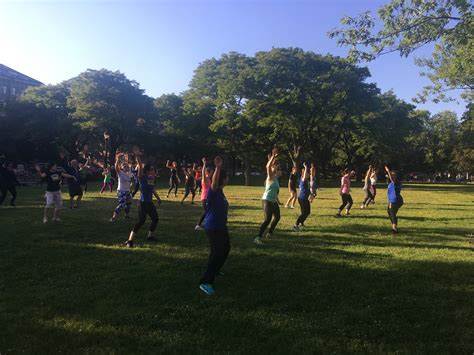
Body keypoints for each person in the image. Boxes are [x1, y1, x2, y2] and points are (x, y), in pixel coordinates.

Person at [199, 156, 230, 296]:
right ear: (222, 179)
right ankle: (206, 282)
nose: (228, 179)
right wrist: (218, 167)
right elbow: (215, 182)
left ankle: (216, 270)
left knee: (226, 248)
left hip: (221, 226)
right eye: (226, 177)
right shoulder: (213, 191)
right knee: (216, 253)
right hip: (213, 227)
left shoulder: (220, 192)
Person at [124, 149, 161, 248]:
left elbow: (152, 190)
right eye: (152, 169)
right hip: (143, 203)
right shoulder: (142, 177)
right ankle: (130, 240)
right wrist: (138, 156)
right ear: (148, 171)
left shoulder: (152, 179)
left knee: (155, 219)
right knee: (141, 221)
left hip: (150, 203)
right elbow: (140, 165)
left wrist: (158, 198)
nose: (154, 171)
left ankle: (150, 236)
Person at [255, 150, 281, 244]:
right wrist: (273, 157)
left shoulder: (276, 179)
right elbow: (267, 166)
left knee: (277, 217)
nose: (279, 170)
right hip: (266, 200)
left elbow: (275, 192)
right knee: (267, 219)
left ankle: (269, 233)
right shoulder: (270, 177)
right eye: (278, 169)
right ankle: (258, 237)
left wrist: (278, 200)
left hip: (273, 201)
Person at [110, 153, 134, 221]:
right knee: (122, 204)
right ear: (122, 168)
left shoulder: (130, 173)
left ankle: (126, 215)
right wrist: (118, 159)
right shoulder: (120, 173)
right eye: (124, 166)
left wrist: (131, 188)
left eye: (127, 166)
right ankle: (114, 216)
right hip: (121, 191)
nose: (126, 167)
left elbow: (132, 181)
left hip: (127, 191)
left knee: (129, 203)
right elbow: (116, 167)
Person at [195, 158, 213, 231]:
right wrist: (204, 163)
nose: (212, 174)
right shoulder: (205, 178)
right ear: (208, 172)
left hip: (208, 197)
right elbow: (203, 172)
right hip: (205, 197)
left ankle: (206, 223)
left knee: (209, 211)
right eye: (211, 172)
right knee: (207, 211)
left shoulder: (209, 179)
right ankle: (198, 225)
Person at [385, 165, 404, 234]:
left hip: (395, 200)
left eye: (392, 174)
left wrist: (388, 171)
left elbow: (392, 178)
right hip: (397, 200)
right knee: (390, 212)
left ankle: (394, 229)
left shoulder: (395, 182)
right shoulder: (395, 182)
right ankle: (394, 226)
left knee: (392, 213)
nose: (390, 174)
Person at [292, 162, 311, 232]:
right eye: (308, 173)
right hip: (302, 198)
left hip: (305, 198)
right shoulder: (303, 180)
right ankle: (295, 225)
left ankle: (301, 223)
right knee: (304, 213)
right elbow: (305, 175)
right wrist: (305, 167)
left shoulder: (305, 181)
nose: (309, 175)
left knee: (308, 212)